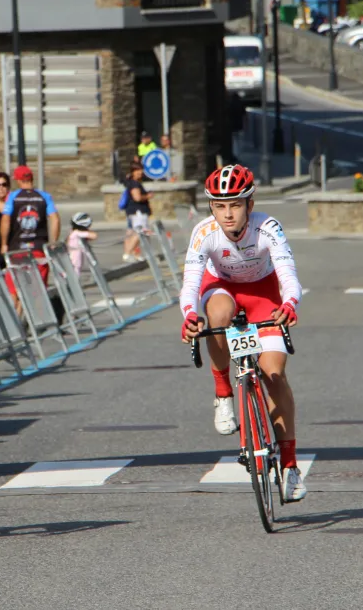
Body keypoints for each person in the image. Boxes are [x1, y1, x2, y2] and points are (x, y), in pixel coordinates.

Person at [179, 164, 306, 502]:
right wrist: (189, 314)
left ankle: (290, 466)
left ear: (250, 203)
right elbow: (190, 284)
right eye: (220, 206)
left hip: (264, 294)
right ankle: (224, 393)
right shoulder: (204, 233)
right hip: (221, 289)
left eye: (235, 205)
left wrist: (290, 303)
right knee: (217, 314)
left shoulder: (268, 228)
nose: (228, 214)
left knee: (274, 375)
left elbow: (289, 276)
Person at [0, 165, 59, 285]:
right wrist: (53, 242)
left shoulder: (12, 197)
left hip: (17, 248)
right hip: (38, 248)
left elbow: (5, 219)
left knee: (16, 287)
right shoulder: (45, 196)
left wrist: (4, 243)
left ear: (18, 180)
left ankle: (16, 304)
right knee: (38, 289)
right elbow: (55, 219)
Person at [122, 162, 152, 263]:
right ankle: (128, 253)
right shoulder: (134, 183)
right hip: (138, 211)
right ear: (133, 172)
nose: (140, 172)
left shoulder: (130, 182)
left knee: (131, 232)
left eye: (141, 170)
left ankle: (134, 254)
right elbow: (137, 197)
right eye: (138, 170)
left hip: (132, 211)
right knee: (139, 232)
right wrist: (148, 196)